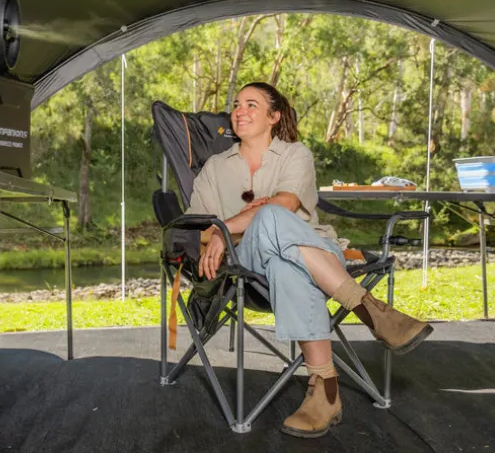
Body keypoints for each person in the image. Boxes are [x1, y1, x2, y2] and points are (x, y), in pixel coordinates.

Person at [185, 81, 433, 439]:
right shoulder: (214, 168)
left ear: (274, 116)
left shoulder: (294, 154)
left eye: (252, 105)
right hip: (249, 264)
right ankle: (368, 309)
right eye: (236, 104)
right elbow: (200, 228)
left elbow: (283, 205)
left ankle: (325, 393)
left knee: (284, 256)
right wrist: (230, 228)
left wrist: (230, 225)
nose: (239, 110)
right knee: (269, 221)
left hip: (314, 250)